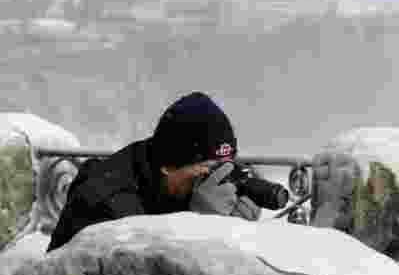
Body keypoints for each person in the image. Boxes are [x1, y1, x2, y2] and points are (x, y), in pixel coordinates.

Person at [47, 92, 261, 252]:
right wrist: (197, 224)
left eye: (225, 171)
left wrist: (237, 231)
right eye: (207, 173)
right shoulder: (106, 203)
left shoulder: (172, 182)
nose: (216, 184)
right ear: (167, 167)